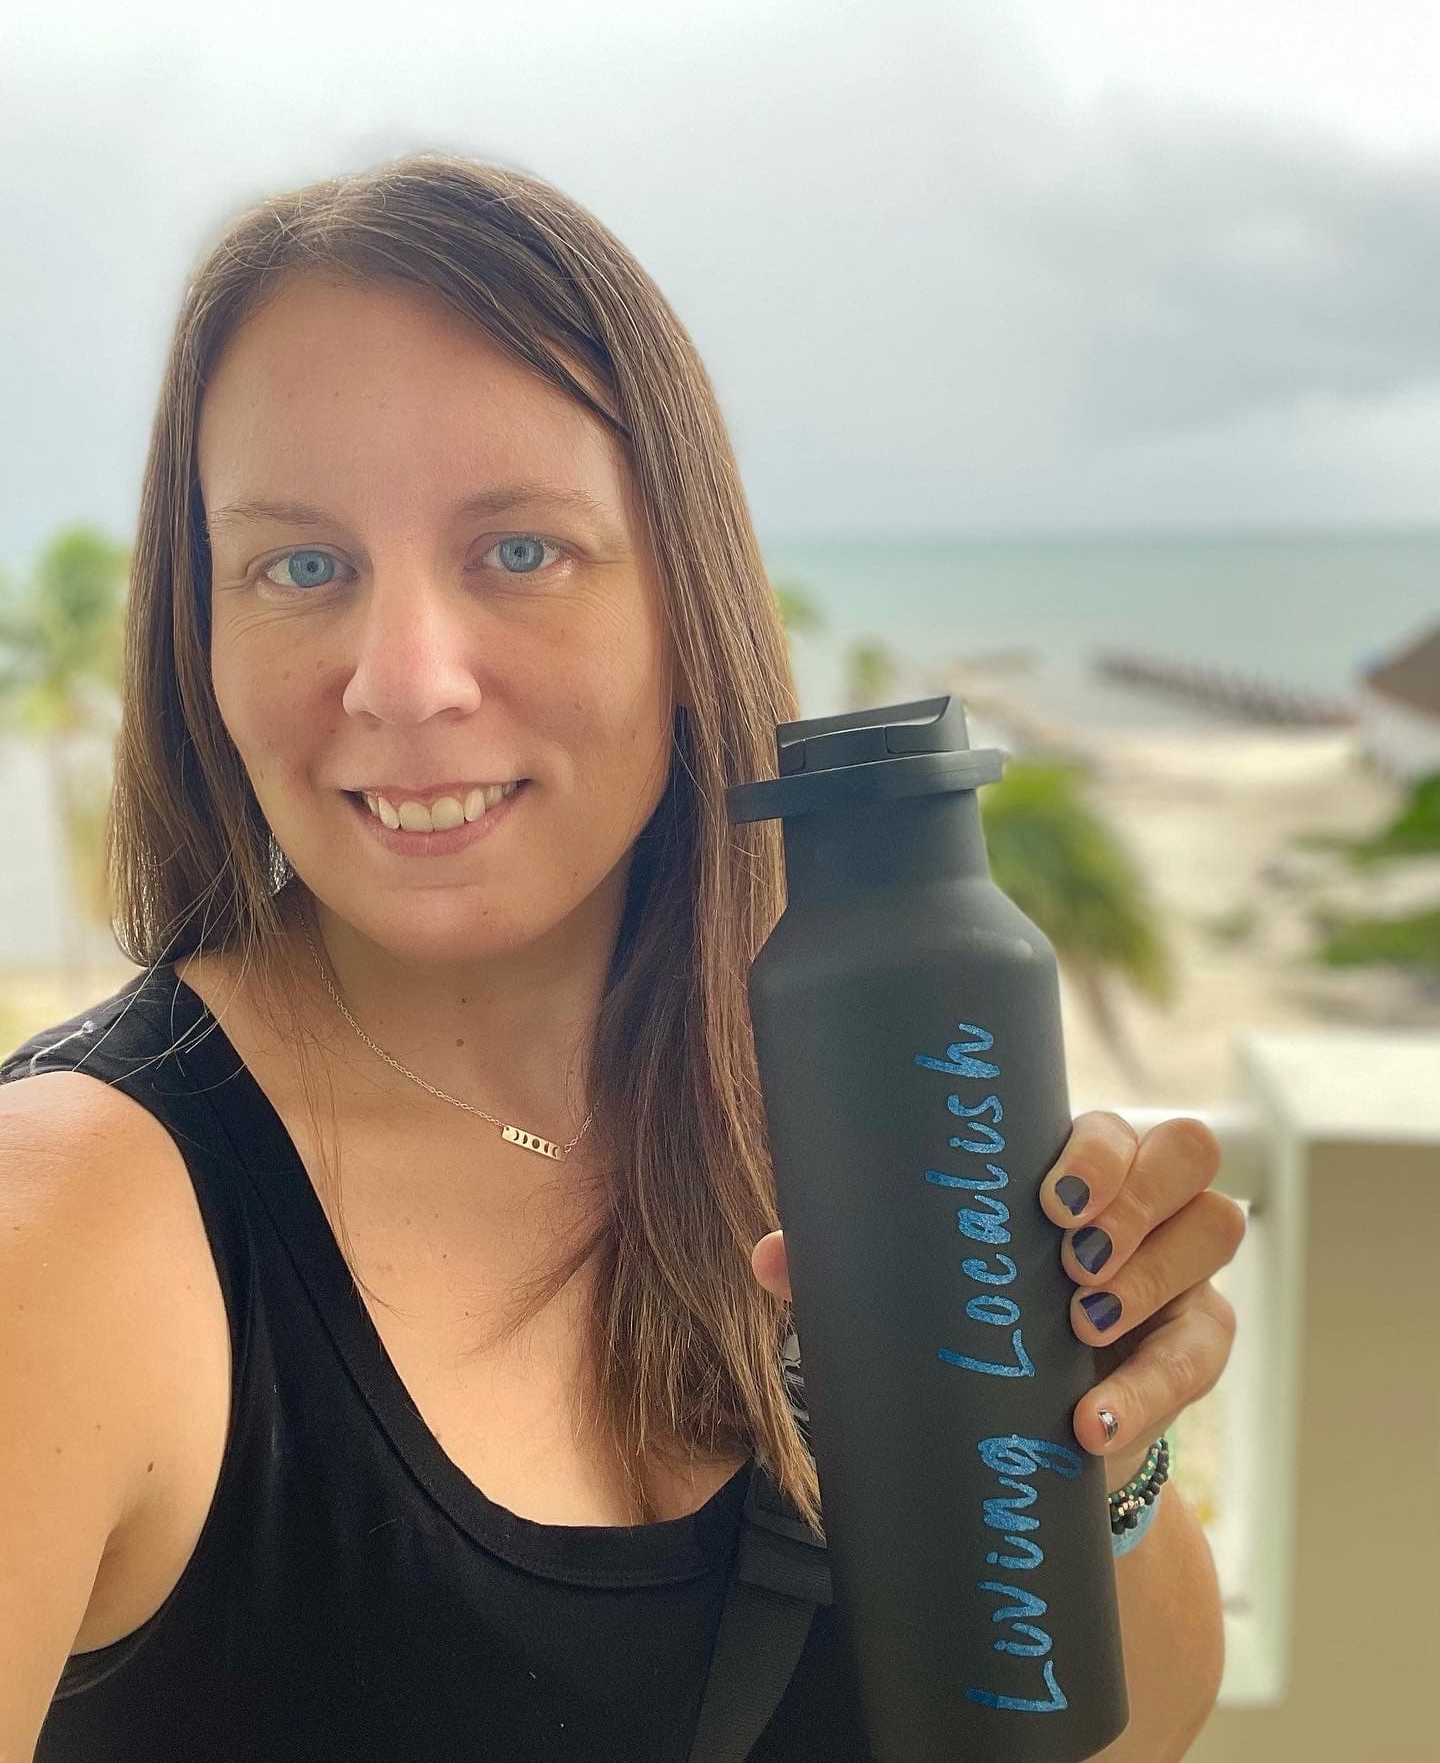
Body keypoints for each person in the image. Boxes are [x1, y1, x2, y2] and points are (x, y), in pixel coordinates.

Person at [0, 154, 1244, 1761]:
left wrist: (1094, 1435)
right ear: (205, 637)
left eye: (520, 549)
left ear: (684, 606)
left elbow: (1128, 1729)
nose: (405, 679)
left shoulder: (841, 1092)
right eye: (299, 566)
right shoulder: (68, 1229)